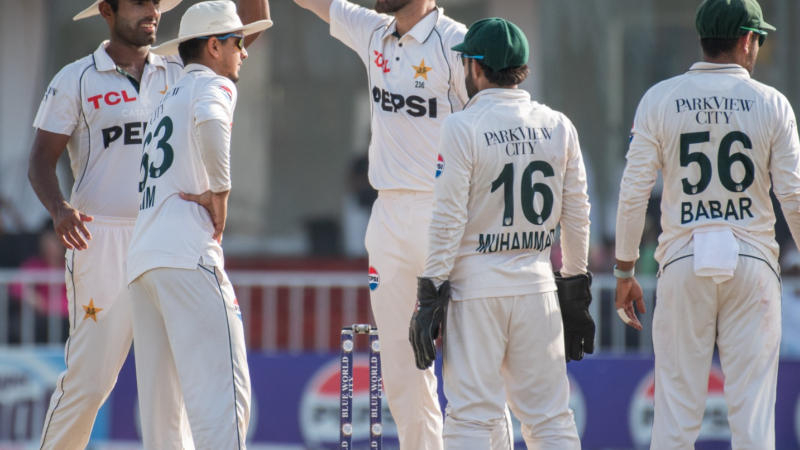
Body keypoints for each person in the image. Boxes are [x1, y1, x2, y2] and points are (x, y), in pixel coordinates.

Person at [27, 0, 268, 447]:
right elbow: (41, 160)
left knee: (169, 390)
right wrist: (60, 208)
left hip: (159, 231)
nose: (152, 11)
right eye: (139, 3)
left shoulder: (181, 69)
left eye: (157, 3)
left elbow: (238, 36)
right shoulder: (76, 77)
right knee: (91, 383)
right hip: (101, 239)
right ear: (106, 10)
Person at [288, 0, 502, 447]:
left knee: (471, 366)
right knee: (402, 372)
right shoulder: (373, 29)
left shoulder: (459, 43)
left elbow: (491, 127)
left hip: (448, 213)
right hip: (387, 215)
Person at [613, 0, 800, 447]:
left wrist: (623, 270)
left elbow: (634, 191)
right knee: (753, 420)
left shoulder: (660, 97)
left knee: (675, 418)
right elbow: (792, 195)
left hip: (683, 257)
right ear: (747, 39)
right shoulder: (772, 103)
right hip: (752, 261)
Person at [409, 18, 593, 449]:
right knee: (550, 419)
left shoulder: (461, 127)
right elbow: (578, 213)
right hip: (537, 284)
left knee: (471, 418)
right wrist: (576, 285)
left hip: (476, 288)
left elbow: (448, 217)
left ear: (476, 67)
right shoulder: (558, 125)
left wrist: (430, 289)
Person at [126, 1, 272, 447]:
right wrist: (221, 193)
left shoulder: (162, 96)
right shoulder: (213, 83)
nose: (245, 52)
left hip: (144, 259)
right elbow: (211, 124)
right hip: (187, 253)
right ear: (213, 46)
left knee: (163, 420)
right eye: (237, 42)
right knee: (223, 401)